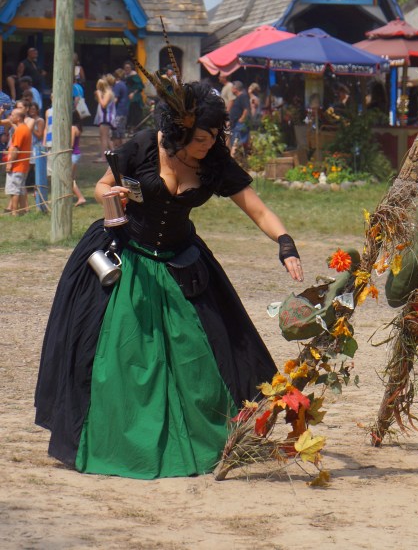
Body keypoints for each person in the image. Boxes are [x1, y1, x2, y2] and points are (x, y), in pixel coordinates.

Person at [35, 79, 303, 479]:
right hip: (126, 258)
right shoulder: (144, 145)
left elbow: (258, 210)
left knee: (202, 357)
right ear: (178, 132)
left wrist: (285, 243)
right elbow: (102, 185)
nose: (207, 144)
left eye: (213, 137)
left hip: (181, 262)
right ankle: (117, 441)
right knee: (120, 358)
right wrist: (114, 199)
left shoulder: (214, 163)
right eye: (199, 138)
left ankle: (208, 436)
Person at [4, 107, 31, 215]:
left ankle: (14, 212)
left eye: (12, 115)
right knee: (20, 188)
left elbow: (16, 148)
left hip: (17, 165)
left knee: (14, 189)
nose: (11, 117)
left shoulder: (20, 130)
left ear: (18, 118)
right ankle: (24, 209)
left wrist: (10, 163)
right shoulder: (25, 128)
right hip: (23, 164)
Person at [25, 102, 48, 212]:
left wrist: (31, 127)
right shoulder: (28, 119)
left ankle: (36, 190)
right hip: (28, 146)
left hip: (36, 148)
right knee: (27, 169)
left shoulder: (40, 120)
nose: (32, 111)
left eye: (34, 109)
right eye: (31, 109)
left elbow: (39, 134)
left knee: (35, 170)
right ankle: (26, 188)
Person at [93, 76, 117, 161]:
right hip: (103, 118)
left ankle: (103, 157)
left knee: (103, 138)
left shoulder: (108, 93)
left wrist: (99, 95)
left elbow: (103, 104)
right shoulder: (107, 93)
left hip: (106, 118)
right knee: (106, 137)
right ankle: (114, 154)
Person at [229, 80, 251, 155]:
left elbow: (246, 108)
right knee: (235, 143)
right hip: (235, 124)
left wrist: (242, 119)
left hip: (239, 124)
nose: (231, 89)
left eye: (232, 87)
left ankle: (235, 160)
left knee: (237, 143)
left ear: (236, 88)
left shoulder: (243, 96)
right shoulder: (238, 97)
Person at [71, 113, 87, 207]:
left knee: (69, 179)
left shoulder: (73, 128)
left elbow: (71, 144)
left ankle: (80, 197)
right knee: (71, 178)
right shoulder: (78, 128)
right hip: (76, 154)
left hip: (73, 155)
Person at [123, 60, 144, 132]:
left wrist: (133, 93)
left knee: (133, 110)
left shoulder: (134, 75)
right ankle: (127, 126)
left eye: (128, 67)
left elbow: (139, 86)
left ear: (131, 67)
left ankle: (134, 127)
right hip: (125, 95)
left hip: (134, 96)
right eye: (125, 67)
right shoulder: (124, 75)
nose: (127, 69)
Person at [111, 68, 129, 145]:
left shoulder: (117, 85)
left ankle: (117, 151)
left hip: (118, 112)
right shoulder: (124, 85)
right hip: (124, 111)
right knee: (122, 133)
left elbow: (115, 99)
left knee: (116, 134)